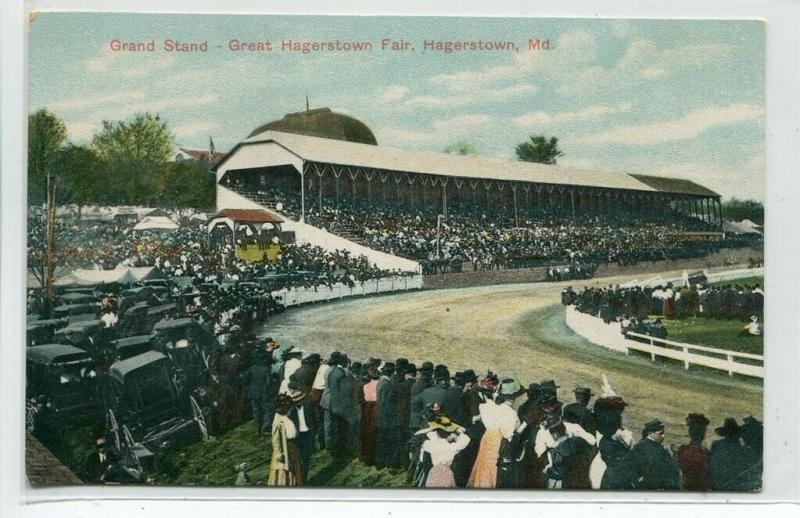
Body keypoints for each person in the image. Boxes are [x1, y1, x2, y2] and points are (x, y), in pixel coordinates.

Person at [467, 377, 522, 488]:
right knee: (493, 468)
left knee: (483, 466)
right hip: (498, 442)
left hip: (488, 439)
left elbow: (485, 418)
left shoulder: (493, 408)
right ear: (515, 397)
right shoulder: (510, 413)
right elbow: (508, 434)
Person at [413, 413, 471, 488]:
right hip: (447, 473)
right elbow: (466, 439)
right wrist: (456, 432)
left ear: (436, 433)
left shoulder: (432, 445)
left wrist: (431, 428)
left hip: (434, 472)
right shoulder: (452, 447)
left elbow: (416, 435)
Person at [631, 419, 680, 490]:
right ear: (650, 433)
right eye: (660, 433)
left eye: (664, 433)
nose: (663, 436)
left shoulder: (657, 447)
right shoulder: (644, 447)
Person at [267, 393, 304, 487]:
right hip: (285, 448)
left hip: (293, 446)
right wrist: (279, 454)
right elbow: (275, 439)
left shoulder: (288, 416)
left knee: (295, 468)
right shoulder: (277, 419)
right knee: (284, 469)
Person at [709, 417, 749, 490]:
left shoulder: (716, 445)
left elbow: (711, 465)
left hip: (718, 483)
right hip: (731, 484)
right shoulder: (740, 449)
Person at [676, 413, 711, 491]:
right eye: (703, 430)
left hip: (687, 490)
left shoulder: (682, 450)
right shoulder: (705, 453)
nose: (703, 433)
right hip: (700, 491)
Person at [241, 348, 272, 435]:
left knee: (256, 412)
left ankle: (257, 430)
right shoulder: (266, 369)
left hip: (253, 394)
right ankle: (265, 428)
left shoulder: (252, 368)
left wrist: (248, 387)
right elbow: (268, 382)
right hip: (263, 393)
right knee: (267, 410)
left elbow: (245, 378)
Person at [376, 362, 399, 468]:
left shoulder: (380, 382)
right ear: (392, 372)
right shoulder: (388, 385)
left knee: (382, 440)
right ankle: (386, 462)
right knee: (387, 441)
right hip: (387, 417)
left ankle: (380, 462)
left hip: (380, 415)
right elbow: (389, 404)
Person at [360, 365, 380, 465]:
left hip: (367, 409)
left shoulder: (365, 386)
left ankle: (366, 456)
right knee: (375, 433)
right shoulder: (380, 385)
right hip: (376, 408)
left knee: (367, 432)